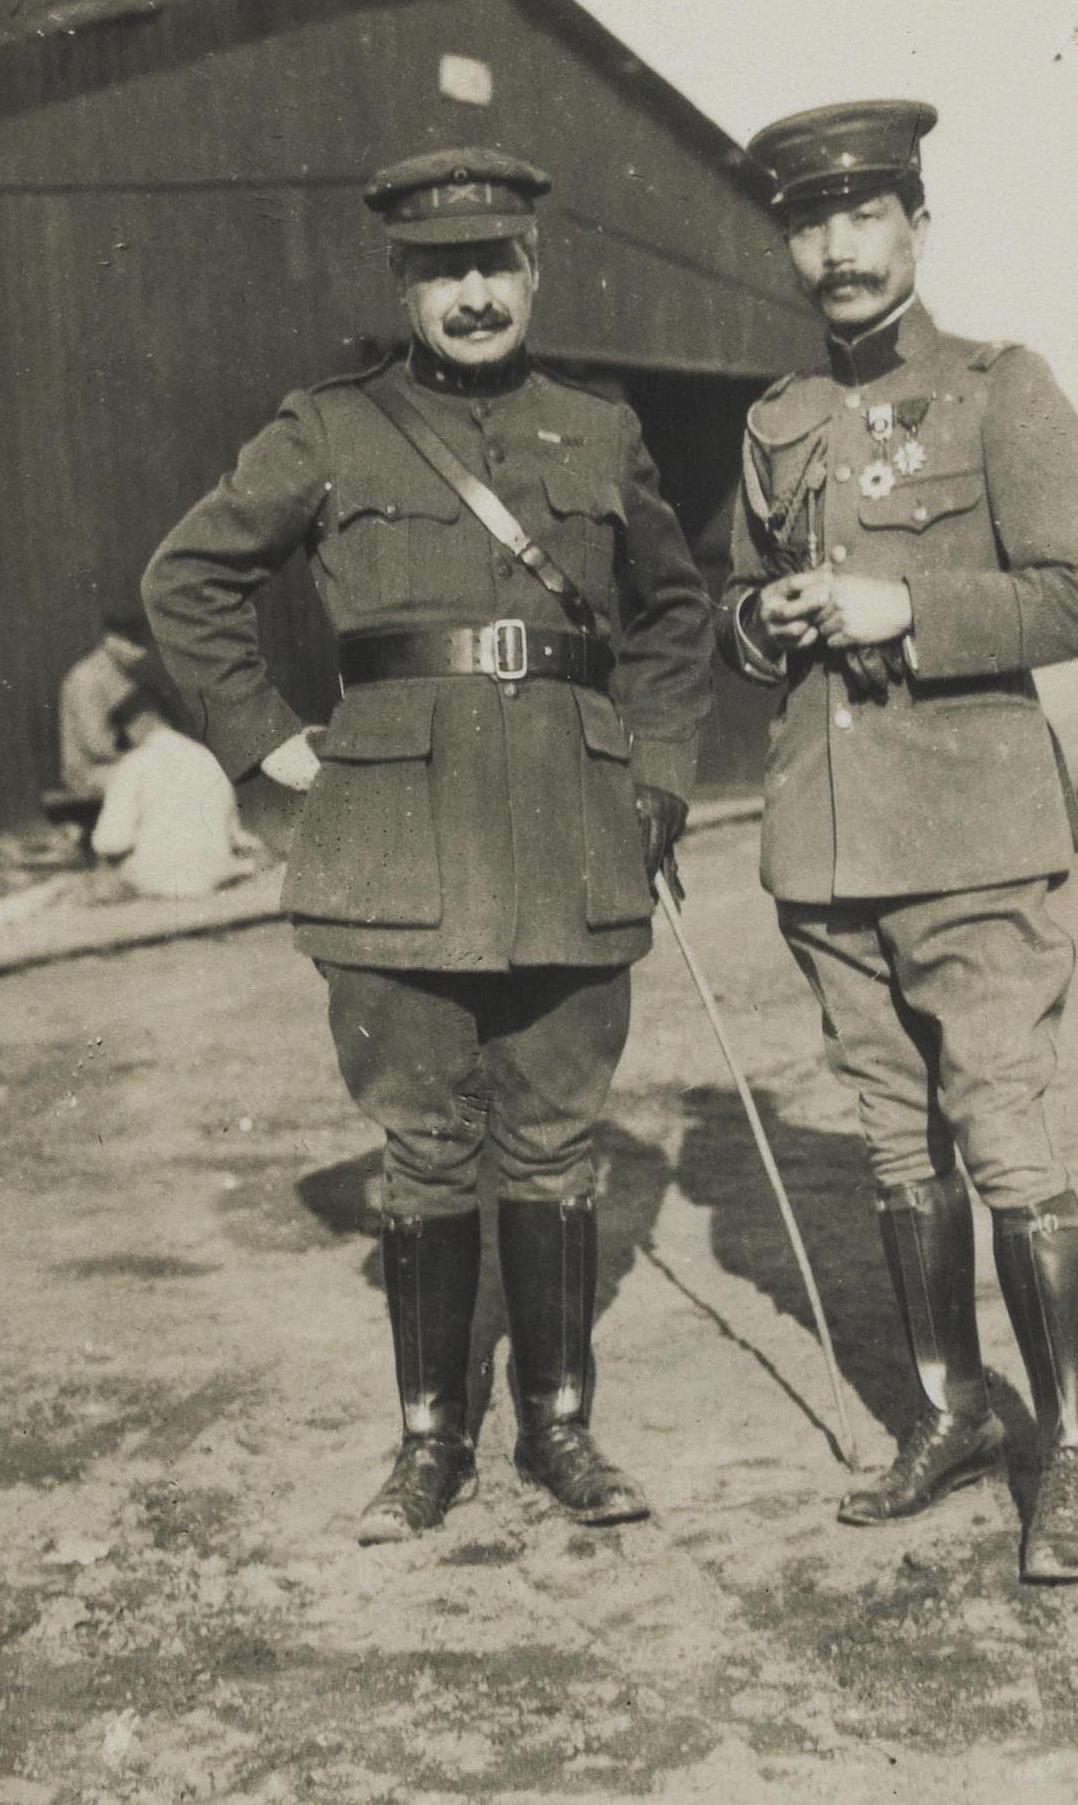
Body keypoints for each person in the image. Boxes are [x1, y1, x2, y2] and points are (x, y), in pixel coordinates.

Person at [142, 147, 711, 1545]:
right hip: (395, 848)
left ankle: (559, 1435)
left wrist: (655, 776)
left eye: (492, 264)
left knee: (559, 1141)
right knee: (422, 1149)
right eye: (440, 270)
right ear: (402, 282)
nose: (470, 294)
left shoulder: (599, 427)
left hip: (575, 840)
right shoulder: (331, 431)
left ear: (534, 270)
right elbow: (189, 577)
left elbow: (676, 614)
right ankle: (429, 1446)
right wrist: (269, 743)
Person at [717, 99, 1078, 1582]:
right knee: (898, 1150)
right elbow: (735, 603)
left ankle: (1069, 1457)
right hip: (829, 851)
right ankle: (949, 1416)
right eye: (808, 223)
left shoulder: (999, 388)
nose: (835, 247)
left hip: (971, 841)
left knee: (1002, 1141)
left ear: (915, 226)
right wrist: (760, 618)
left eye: (863, 215)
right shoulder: (775, 419)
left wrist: (909, 611)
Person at [89, 719, 267, 899]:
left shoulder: (134, 763)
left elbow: (109, 842)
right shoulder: (210, 759)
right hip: (213, 876)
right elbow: (232, 832)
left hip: (156, 882)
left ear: (126, 734)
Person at [57, 614, 176, 799]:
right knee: (162, 780)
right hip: (91, 772)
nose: (141, 652)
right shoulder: (86, 678)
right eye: (134, 643)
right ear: (110, 640)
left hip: (126, 764)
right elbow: (97, 745)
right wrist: (144, 744)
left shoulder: (129, 674)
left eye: (144, 644)